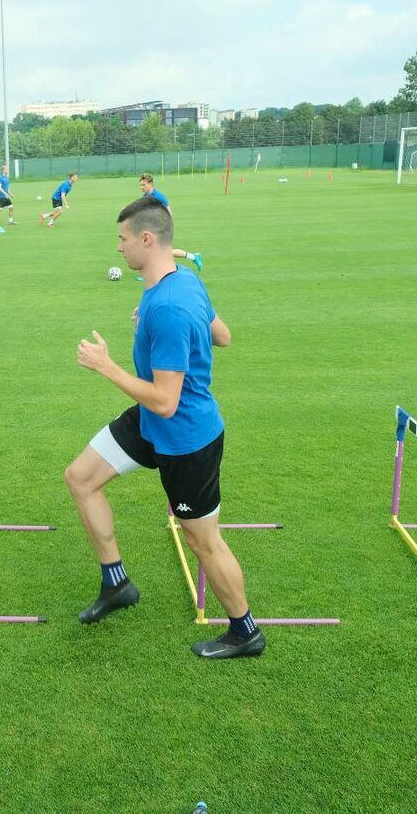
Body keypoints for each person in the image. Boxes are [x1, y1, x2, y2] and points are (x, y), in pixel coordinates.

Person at [65, 197, 264, 660]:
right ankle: (116, 583)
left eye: (122, 238)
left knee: (203, 541)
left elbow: (167, 401)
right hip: (150, 426)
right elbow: (223, 335)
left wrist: (106, 365)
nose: (118, 247)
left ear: (146, 239)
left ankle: (245, 632)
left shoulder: (171, 307)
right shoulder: (181, 284)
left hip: (186, 439)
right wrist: (161, 324)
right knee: (80, 477)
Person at [139, 174, 203, 271]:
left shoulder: (158, 196)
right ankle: (193, 257)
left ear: (150, 184)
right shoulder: (145, 197)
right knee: (154, 250)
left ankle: (193, 257)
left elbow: (169, 212)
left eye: (143, 185)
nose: (141, 187)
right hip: (152, 228)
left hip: (162, 227)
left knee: (159, 251)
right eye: (140, 185)